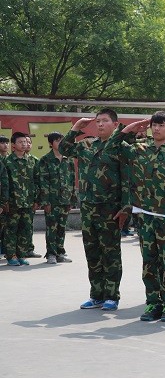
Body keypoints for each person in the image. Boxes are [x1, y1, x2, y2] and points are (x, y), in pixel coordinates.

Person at [105, 111, 165, 322]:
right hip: (144, 215)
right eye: (154, 125)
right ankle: (152, 303)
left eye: (161, 125)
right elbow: (110, 148)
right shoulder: (138, 150)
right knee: (149, 262)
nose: (156, 129)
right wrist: (128, 130)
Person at [59, 109, 125, 311]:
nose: (100, 124)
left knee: (110, 254)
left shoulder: (121, 147)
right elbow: (64, 149)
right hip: (88, 208)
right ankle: (96, 295)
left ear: (115, 124)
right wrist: (75, 129)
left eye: (105, 121)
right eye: (98, 121)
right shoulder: (86, 145)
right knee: (93, 253)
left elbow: (128, 179)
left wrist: (126, 207)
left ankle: (111, 296)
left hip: (110, 208)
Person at [38, 132, 76, 264]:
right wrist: (45, 201)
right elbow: (43, 182)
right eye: (57, 141)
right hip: (52, 200)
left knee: (62, 227)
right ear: (50, 143)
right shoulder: (45, 160)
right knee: (51, 227)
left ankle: (60, 252)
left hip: (65, 199)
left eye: (62, 141)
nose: (61, 143)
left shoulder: (68, 159)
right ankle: (51, 254)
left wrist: (72, 199)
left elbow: (72, 180)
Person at [3, 132, 39, 266]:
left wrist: (37, 200)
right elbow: (4, 183)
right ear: (13, 145)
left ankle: (21, 255)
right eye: (20, 142)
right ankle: (11, 256)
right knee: (11, 230)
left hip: (28, 201)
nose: (24, 144)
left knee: (26, 229)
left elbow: (37, 180)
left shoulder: (33, 161)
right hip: (13, 202)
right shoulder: (6, 162)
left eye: (25, 141)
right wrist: (4, 201)